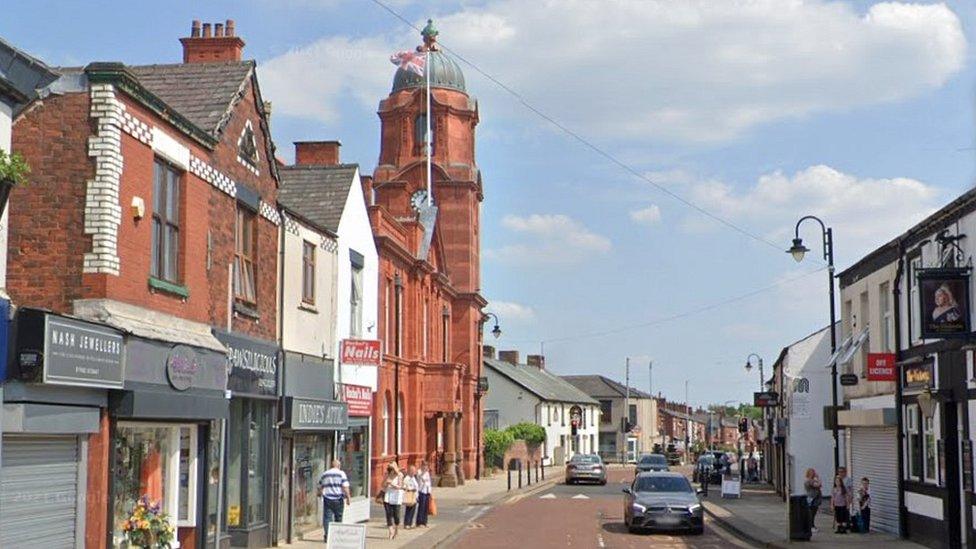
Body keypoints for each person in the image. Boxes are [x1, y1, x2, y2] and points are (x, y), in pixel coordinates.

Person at [318, 459, 351, 544]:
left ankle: (327, 536)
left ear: (331, 465)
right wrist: (348, 497)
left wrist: (320, 494)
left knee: (327, 518)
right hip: (338, 498)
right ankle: (337, 536)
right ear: (338, 466)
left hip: (327, 498)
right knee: (338, 517)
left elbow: (320, 486)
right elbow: (345, 486)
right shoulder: (341, 474)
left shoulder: (325, 474)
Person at [382, 463, 404, 540]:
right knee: (388, 513)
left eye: (392, 469)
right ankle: (391, 531)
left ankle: (396, 528)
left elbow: (400, 486)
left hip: (396, 497)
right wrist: (386, 483)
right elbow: (383, 485)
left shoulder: (400, 475)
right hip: (388, 496)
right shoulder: (387, 474)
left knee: (396, 515)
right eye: (390, 469)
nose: (391, 471)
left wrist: (392, 484)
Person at [804, 468, 823, 533]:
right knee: (812, 513)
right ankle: (811, 526)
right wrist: (818, 478)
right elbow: (818, 485)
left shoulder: (812, 480)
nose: (814, 473)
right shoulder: (810, 481)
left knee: (813, 513)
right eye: (812, 472)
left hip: (814, 498)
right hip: (812, 499)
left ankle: (812, 525)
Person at [415, 461, 433, 527]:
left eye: (426, 466)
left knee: (426, 507)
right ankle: (419, 522)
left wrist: (430, 492)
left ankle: (424, 522)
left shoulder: (427, 473)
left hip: (427, 491)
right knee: (421, 507)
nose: (425, 467)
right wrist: (423, 471)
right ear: (421, 465)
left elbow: (429, 483)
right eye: (424, 465)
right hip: (421, 491)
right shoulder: (419, 472)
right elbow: (419, 477)